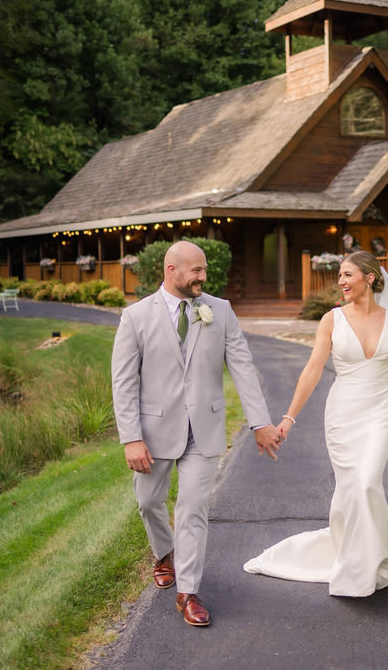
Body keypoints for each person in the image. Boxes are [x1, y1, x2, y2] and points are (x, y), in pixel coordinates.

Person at [111, 241, 283, 626]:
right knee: (149, 502)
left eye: (204, 270)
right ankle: (163, 553)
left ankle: (187, 592)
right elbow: (122, 383)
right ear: (171, 269)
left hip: (204, 429)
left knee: (192, 510)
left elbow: (242, 366)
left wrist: (259, 422)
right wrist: (131, 438)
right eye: (196, 271)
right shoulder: (135, 317)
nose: (203, 277)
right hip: (153, 431)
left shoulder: (219, 310)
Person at [243, 250, 388, 597]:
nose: (341, 281)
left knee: (365, 482)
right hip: (343, 415)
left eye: (347, 275)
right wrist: (289, 417)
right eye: (340, 276)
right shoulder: (332, 319)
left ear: (370, 278)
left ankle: (365, 566)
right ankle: (369, 556)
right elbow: (313, 369)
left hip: (383, 411)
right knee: (352, 489)